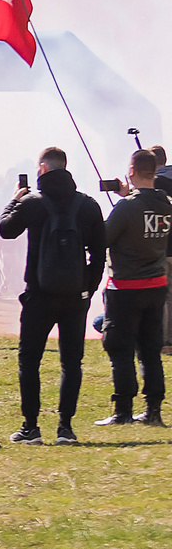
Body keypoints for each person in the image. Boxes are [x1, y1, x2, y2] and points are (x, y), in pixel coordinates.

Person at [1, 151, 108, 444]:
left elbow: (5, 230)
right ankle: (66, 428)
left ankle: (30, 427)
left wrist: (15, 199)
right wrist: (88, 288)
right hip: (75, 296)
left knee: (30, 360)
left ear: (43, 168)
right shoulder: (87, 205)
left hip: (39, 294)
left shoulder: (32, 202)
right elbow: (100, 252)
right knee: (71, 362)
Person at [97, 147, 169, 427]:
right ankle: (153, 410)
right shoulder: (166, 202)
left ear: (131, 171)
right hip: (156, 285)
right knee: (151, 350)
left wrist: (124, 201)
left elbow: (103, 237)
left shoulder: (126, 207)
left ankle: (123, 410)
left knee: (120, 348)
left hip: (125, 287)